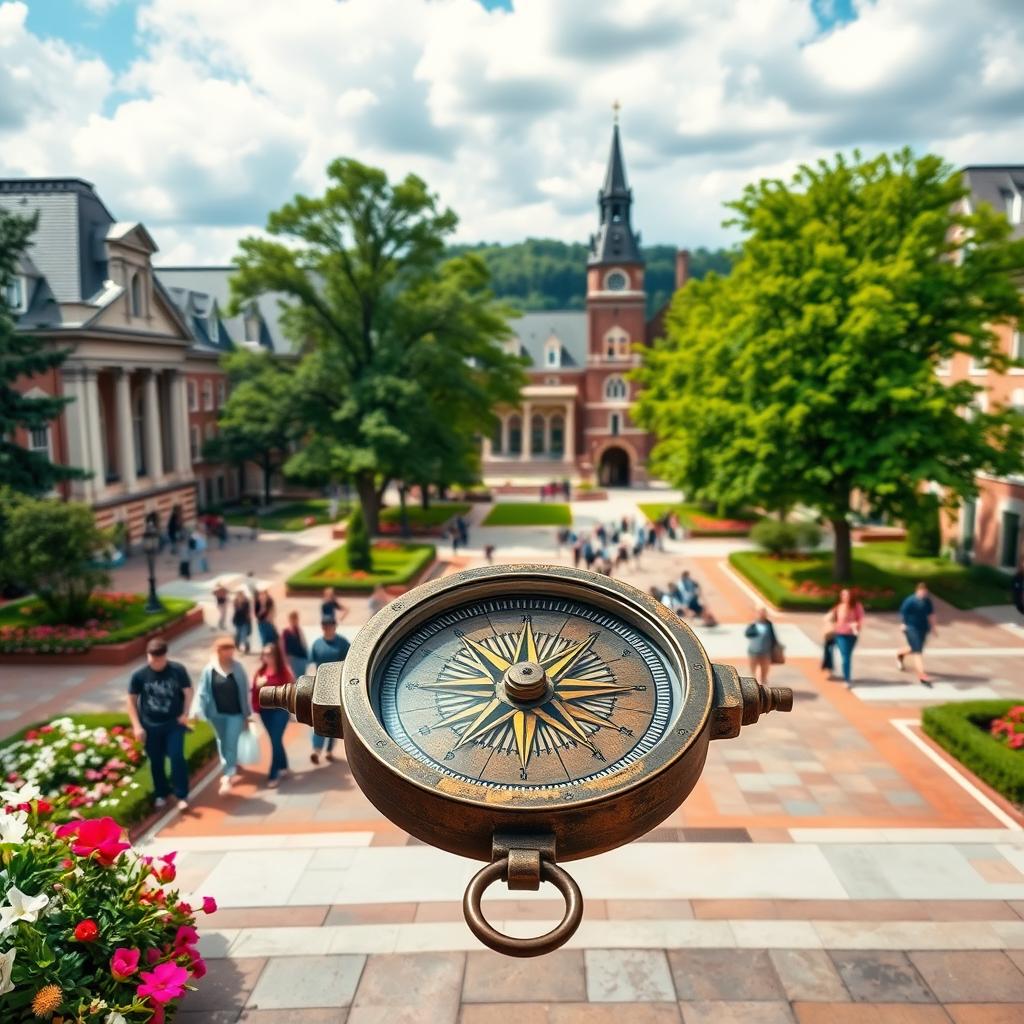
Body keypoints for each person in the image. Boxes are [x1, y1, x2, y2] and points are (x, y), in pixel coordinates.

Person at [127, 638, 192, 811]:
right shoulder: (139, 675)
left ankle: (182, 794)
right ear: (147, 656)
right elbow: (131, 701)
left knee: (176, 756)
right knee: (156, 760)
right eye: (153, 658)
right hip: (150, 725)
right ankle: (161, 793)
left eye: (160, 658)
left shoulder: (177, 670)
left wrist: (185, 713)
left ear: (165, 656)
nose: (156, 662)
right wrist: (137, 726)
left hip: (174, 723)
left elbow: (188, 691)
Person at [192, 637, 252, 795]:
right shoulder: (209, 670)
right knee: (222, 741)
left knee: (231, 742)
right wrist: (197, 712)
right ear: (218, 651)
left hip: (236, 714)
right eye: (226, 649)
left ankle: (228, 775)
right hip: (216, 714)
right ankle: (231, 765)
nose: (230, 652)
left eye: (231, 648)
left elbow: (245, 692)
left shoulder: (238, 668)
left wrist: (247, 714)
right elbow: (202, 692)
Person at [309, 618, 350, 764]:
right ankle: (316, 749)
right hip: (320, 686)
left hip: (336, 687)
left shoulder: (343, 643)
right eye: (324, 625)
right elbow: (312, 663)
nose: (327, 628)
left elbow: (350, 661)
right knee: (318, 717)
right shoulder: (317, 644)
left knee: (333, 718)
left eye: (330, 625)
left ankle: (329, 750)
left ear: (334, 626)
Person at [251, 643, 292, 788]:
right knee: (276, 740)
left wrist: (268, 684)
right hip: (265, 713)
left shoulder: (283, 672)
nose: (266, 657)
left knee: (275, 740)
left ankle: (273, 773)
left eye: (269, 654)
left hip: (280, 712)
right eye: (264, 654)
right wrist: (256, 708)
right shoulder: (260, 672)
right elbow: (254, 692)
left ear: (276, 656)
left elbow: (290, 691)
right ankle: (284, 765)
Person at [897, 581, 937, 686]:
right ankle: (922, 674)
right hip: (911, 628)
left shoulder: (927, 602)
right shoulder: (910, 601)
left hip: (923, 628)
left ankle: (900, 654)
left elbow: (931, 615)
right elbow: (903, 613)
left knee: (914, 648)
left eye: (925, 592)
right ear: (917, 591)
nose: (923, 594)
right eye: (922, 591)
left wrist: (933, 628)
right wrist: (902, 624)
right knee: (918, 652)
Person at [825, 588, 865, 685]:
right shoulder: (839, 607)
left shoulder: (857, 606)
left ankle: (845, 676)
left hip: (851, 635)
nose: (844, 597)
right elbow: (830, 618)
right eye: (842, 595)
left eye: (846, 595)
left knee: (847, 656)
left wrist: (856, 626)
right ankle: (847, 678)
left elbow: (861, 619)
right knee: (844, 655)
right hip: (840, 634)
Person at [744, 605, 780, 686]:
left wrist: (774, 648)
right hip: (753, 651)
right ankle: (753, 684)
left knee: (764, 669)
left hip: (765, 652)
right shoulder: (754, 624)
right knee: (752, 670)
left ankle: (763, 683)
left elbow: (773, 636)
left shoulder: (769, 624)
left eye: (763, 612)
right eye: (760, 612)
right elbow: (747, 633)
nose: (762, 614)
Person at [282, 609, 309, 680]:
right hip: (292, 659)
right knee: (293, 680)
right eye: (292, 618)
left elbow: (304, 644)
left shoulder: (299, 630)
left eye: (296, 618)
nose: (294, 620)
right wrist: (286, 660)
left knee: (301, 679)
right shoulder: (286, 632)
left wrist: (306, 659)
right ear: (290, 619)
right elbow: (283, 647)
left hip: (302, 659)